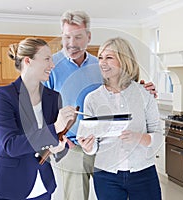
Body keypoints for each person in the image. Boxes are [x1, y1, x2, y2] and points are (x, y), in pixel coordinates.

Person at [43, 10, 157, 200]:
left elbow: (124, 88)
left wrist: (145, 87)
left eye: (78, 36)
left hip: (106, 145)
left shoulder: (100, 64)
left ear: (88, 37)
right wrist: (59, 139)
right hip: (72, 146)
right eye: (67, 37)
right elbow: (40, 110)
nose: (72, 43)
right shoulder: (51, 65)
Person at [0, 37, 76, 200]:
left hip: (43, 188)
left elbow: (58, 140)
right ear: (28, 61)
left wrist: (61, 148)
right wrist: (54, 128)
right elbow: (11, 145)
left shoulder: (53, 97)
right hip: (7, 188)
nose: (52, 65)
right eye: (47, 59)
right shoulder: (4, 97)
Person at [78, 37, 163, 200]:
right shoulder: (92, 99)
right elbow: (93, 144)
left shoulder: (144, 93)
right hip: (105, 174)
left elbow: (158, 137)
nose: (102, 63)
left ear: (124, 60)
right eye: (100, 58)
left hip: (143, 173)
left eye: (109, 58)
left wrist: (139, 138)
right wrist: (88, 147)